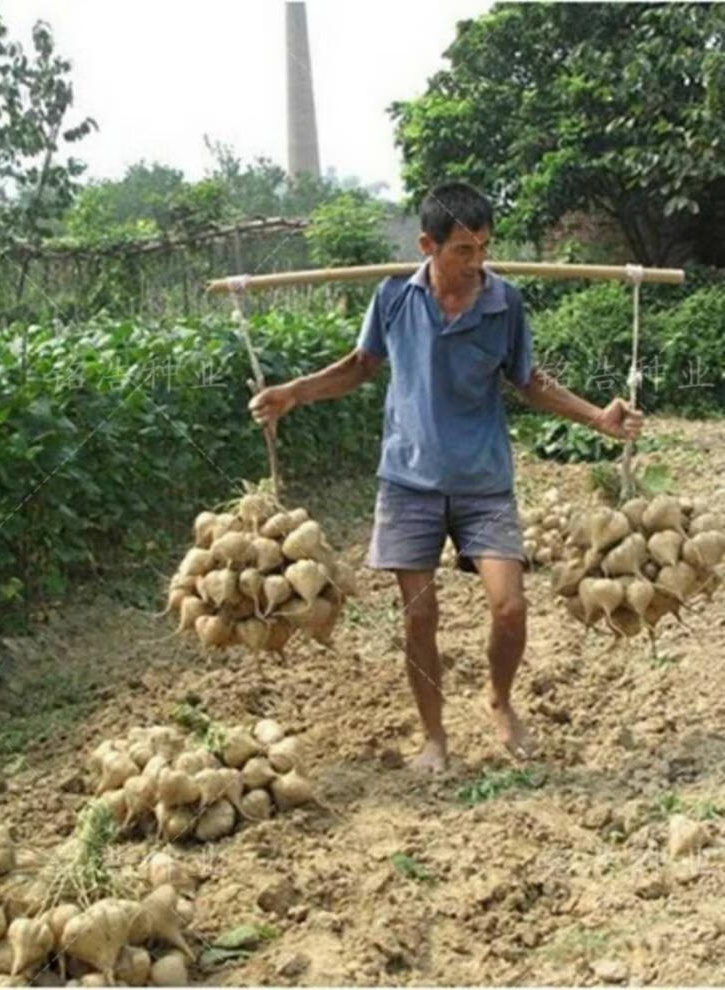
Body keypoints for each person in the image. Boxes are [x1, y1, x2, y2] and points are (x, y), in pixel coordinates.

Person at [248, 181, 643, 773]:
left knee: (509, 608)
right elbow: (361, 367)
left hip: (483, 479)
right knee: (419, 616)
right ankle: (434, 737)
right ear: (427, 245)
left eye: (484, 247)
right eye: (463, 250)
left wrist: (597, 418)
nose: (477, 261)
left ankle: (500, 700)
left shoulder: (503, 302)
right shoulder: (393, 298)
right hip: (408, 480)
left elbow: (528, 380)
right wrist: (293, 394)